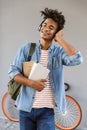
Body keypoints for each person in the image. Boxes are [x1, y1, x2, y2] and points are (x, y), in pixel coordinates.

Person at [8, 8, 83, 130]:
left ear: (56, 33)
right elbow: (13, 72)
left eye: (51, 28)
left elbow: (77, 59)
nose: (46, 28)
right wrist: (31, 83)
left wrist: (60, 39)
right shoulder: (27, 48)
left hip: (47, 112)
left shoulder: (58, 52)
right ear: (40, 27)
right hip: (25, 110)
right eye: (44, 25)